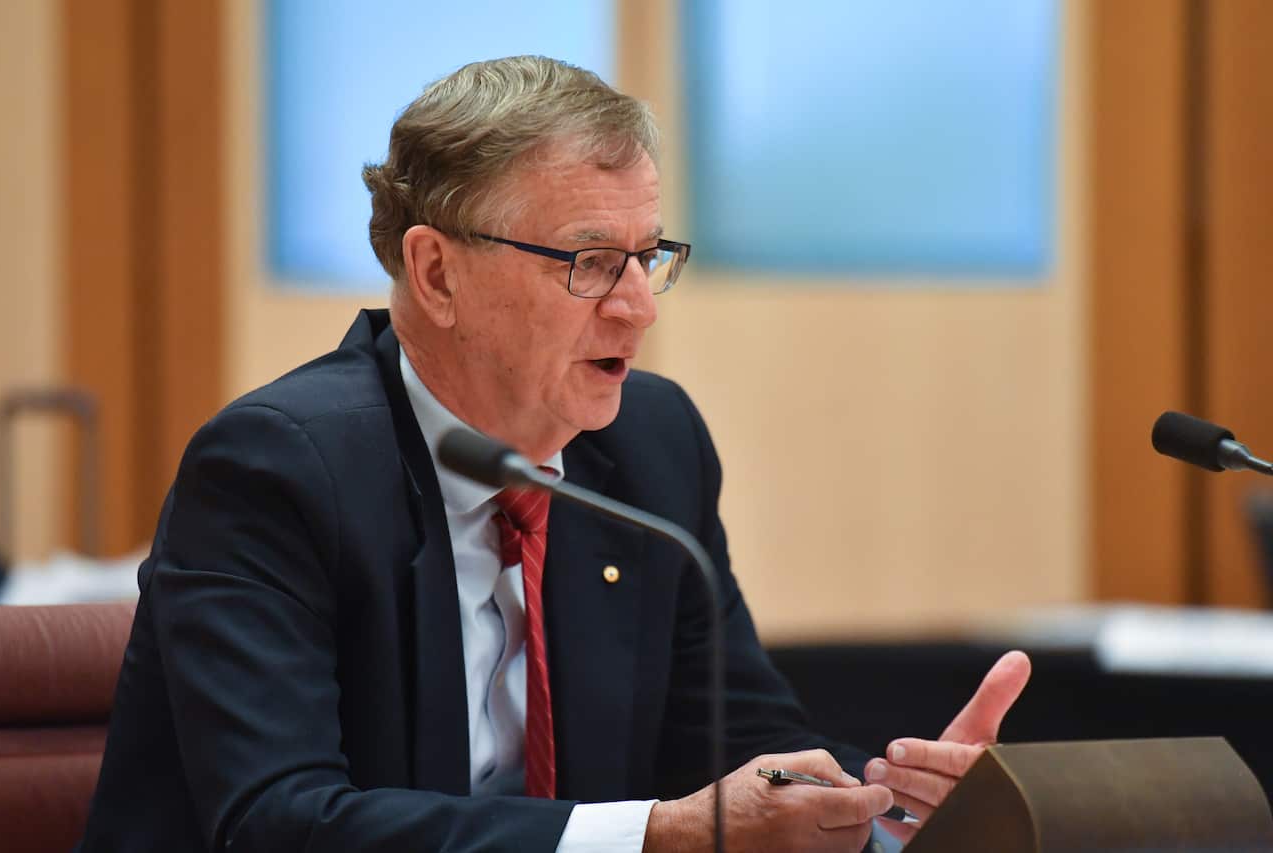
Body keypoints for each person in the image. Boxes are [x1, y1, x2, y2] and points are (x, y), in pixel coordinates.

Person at [77, 56, 1030, 853]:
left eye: (648, 256)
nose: (639, 305)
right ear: (436, 271)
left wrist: (875, 807)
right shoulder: (276, 472)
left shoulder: (650, 449)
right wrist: (658, 834)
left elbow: (740, 744)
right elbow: (280, 825)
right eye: (587, 261)